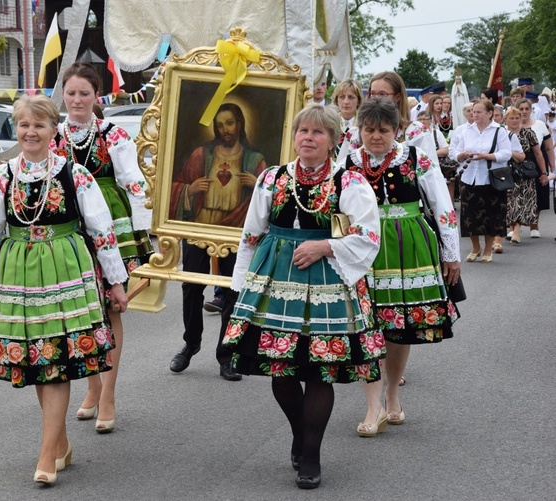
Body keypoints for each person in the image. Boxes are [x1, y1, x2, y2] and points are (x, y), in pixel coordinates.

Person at [0, 94, 129, 485]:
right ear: (16, 129)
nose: (31, 132)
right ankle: (59, 442)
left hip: (66, 269)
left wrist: (117, 282)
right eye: (24, 125)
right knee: (39, 363)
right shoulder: (0, 177)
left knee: (57, 360)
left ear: (52, 130)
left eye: (39, 125)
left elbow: (102, 232)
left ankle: (45, 453)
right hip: (18, 274)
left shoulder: (76, 175)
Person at [223, 104, 383, 489]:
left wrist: (324, 247)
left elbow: (367, 236)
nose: (308, 138)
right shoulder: (272, 178)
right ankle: (300, 432)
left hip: (328, 281)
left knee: (318, 368)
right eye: (302, 131)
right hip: (275, 280)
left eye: (318, 132)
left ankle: (311, 452)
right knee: (281, 366)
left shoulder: (350, 183)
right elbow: (251, 234)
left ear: (332, 140)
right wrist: (239, 286)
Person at [340, 98, 460, 440]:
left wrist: (451, 253)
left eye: (383, 130)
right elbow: (336, 208)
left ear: (396, 129)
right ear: (359, 129)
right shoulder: (348, 161)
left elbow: (442, 205)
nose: (376, 136)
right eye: (369, 129)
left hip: (408, 246)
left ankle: (393, 393)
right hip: (363, 246)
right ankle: (372, 405)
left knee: (398, 323)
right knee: (365, 324)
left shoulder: (416, 157)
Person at [51, 62, 153, 433]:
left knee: (112, 308)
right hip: (66, 227)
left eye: (85, 93)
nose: (77, 99)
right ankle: (92, 387)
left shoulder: (113, 135)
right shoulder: (52, 136)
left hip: (109, 225)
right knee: (77, 310)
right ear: (63, 94)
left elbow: (133, 182)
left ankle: (108, 392)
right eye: (72, 92)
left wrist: (149, 231)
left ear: (97, 97)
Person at [168, 103, 268, 380]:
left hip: (237, 231)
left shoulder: (255, 160)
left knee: (233, 292)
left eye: (230, 123)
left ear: (240, 124)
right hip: (200, 227)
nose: (225, 130)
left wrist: (258, 182)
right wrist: (189, 189)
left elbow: (273, 193)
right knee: (191, 287)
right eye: (220, 124)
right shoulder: (202, 154)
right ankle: (191, 343)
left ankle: (227, 354)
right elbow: (175, 184)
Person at [451, 99, 512, 261]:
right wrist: (461, 155)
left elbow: (507, 153)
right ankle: (475, 247)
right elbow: (453, 151)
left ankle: (487, 250)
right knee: (469, 214)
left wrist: (487, 156)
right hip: (469, 177)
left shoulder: (499, 131)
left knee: (491, 215)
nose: (474, 114)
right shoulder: (465, 130)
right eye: (473, 111)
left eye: (478, 112)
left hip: (491, 178)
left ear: (490, 113)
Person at [338, 71, 439, 166]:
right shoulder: (355, 133)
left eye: (382, 94)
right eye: (372, 93)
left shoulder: (416, 132)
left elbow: (431, 174)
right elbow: (340, 170)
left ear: (398, 97)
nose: (376, 98)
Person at [513, 98, 555, 239]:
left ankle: (534, 225)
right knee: (514, 193)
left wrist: (552, 166)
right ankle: (513, 226)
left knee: (537, 191)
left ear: (531, 110)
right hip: (515, 161)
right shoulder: (511, 124)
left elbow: (548, 147)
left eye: (527, 109)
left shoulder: (540, 125)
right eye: (522, 109)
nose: (524, 111)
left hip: (536, 160)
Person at [505, 107, 546, 244]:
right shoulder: (501, 133)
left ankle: (516, 231)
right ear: (506, 120)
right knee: (509, 200)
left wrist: (544, 173)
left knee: (521, 201)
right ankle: (511, 228)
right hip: (505, 171)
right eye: (511, 118)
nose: (515, 120)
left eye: (517, 118)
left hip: (524, 172)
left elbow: (538, 153)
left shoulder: (528, 133)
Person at [417, 110, 453, 202]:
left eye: (425, 119)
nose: (422, 121)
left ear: (430, 120)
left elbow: (445, 149)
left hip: (436, 167)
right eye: (420, 119)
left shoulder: (436, 133)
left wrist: (430, 154)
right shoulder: (414, 135)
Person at [331, 78, 363, 158]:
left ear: (358, 100)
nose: (346, 102)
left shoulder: (364, 123)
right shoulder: (329, 122)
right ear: (336, 99)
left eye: (351, 97)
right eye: (342, 97)